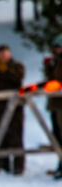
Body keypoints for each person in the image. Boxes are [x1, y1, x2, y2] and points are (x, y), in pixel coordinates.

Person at [0, 44, 25, 175]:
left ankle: (18, 166)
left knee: (16, 137)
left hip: (15, 107)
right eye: (0, 54)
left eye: (4, 53)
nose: (2, 56)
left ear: (10, 54)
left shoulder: (17, 66)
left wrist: (5, 69)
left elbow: (17, 79)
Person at [44, 34, 62, 179]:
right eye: (56, 47)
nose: (57, 50)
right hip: (55, 104)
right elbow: (50, 81)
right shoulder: (56, 62)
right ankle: (60, 165)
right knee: (57, 136)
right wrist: (49, 66)